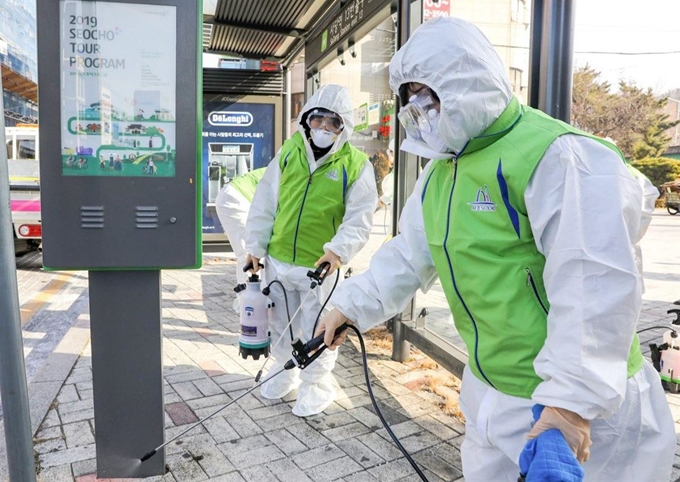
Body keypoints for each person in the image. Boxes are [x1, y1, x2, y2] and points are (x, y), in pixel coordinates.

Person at [317, 17, 675, 482]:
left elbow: (594, 286)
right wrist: (349, 306)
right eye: (410, 99)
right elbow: (409, 255)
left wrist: (570, 407)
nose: (420, 112)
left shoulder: (559, 156)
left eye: (428, 96)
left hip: (576, 415)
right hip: (491, 392)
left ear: (467, 84)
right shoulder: (442, 173)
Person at [244, 83, 378, 417]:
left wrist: (337, 252)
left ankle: (316, 385)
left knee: (318, 328)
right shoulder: (289, 152)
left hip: (320, 268)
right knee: (281, 324)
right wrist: (255, 248)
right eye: (317, 120)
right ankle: (284, 371)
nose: (322, 128)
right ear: (306, 120)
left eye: (332, 123)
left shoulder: (357, 165)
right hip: (278, 259)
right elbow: (265, 201)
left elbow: (360, 218)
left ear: (343, 127)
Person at [215, 167, 266, 312]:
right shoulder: (289, 168)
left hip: (235, 197)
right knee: (249, 253)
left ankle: (249, 303)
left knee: (249, 253)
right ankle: (247, 306)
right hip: (237, 200)